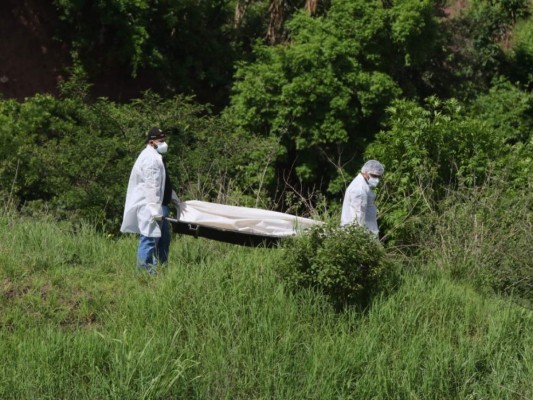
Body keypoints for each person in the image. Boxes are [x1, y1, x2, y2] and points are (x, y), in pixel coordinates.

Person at [120, 127, 180, 274]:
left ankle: (161, 269)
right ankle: (144, 273)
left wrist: (175, 199)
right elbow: (151, 186)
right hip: (152, 208)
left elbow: (163, 183)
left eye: (164, 140)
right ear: (151, 141)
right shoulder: (150, 159)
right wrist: (154, 209)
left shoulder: (156, 156)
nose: (164, 143)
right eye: (161, 141)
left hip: (161, 206)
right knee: (149, 239)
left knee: (163, 241)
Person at [340, 160, 385, 237]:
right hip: (359, 232)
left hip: (367, 229)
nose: (377, 179)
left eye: (378, 176)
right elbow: (358, 214)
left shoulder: (363, 184)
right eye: (374, 176)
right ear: (366, 172)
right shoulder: (359, 188)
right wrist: (361, 235)